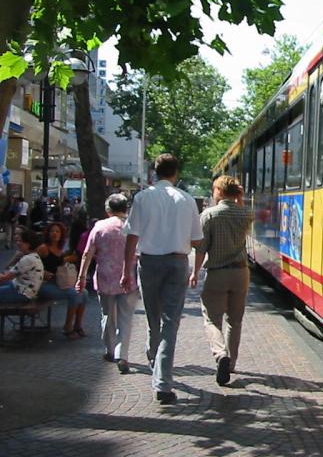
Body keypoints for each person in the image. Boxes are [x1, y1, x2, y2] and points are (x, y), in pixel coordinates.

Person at [123, 153, 202, 405]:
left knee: (152, 317)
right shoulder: (187, 200)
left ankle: (153, 358)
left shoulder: (142, 198)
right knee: (171, 322)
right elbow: (197, 239)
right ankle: (163, 383)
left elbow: (131, 237)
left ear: (154, 172)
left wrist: (126, 270)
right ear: (175, 173)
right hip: (178, 262)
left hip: (149, 262)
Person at [190, 175, 253, 386]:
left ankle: (220, 354)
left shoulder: (209, 215)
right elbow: (247, 216)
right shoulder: (245, 213)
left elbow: (201, 248)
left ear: (219, 191)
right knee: (235, 320)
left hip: (217, 273)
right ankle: (232, 362)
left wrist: (195, 272)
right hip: (241, 273)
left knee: (211, 318)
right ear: (236, 192)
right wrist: (240, 200)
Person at [77, 194, 138, 374]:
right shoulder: (132, 227)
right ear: (126, 209)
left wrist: (81, 277)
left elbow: (87, 253)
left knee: (107, 315)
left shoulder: (99, 227)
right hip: (128, 278)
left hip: (105, 277)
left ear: (108, 210)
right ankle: (122, 354)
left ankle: (110, 350)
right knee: (125, 318)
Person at [36, 221, 89, 339]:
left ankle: (78, 325)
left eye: (57, 231)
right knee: (73, 294)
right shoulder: (43, 248)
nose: (54, 233)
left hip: (58, 283)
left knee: (84, 292)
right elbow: (32, 264)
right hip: (44, 284)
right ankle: (67, 327)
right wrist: (43, 273)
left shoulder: (60, 250)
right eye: (52, 231)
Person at [0, 227, 44, 304]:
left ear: (28, 244)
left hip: (22, 292)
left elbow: (6, 277)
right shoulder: (33, 256)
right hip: (20, 286)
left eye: (20, 241)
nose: (18, 243)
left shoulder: (28, 259)